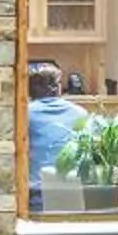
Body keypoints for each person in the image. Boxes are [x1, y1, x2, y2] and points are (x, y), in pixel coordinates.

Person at [26, 66, 87, 207]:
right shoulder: (80, 113)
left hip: (36, 191)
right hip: (74, 188)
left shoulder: (25, 114)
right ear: (57, 88)